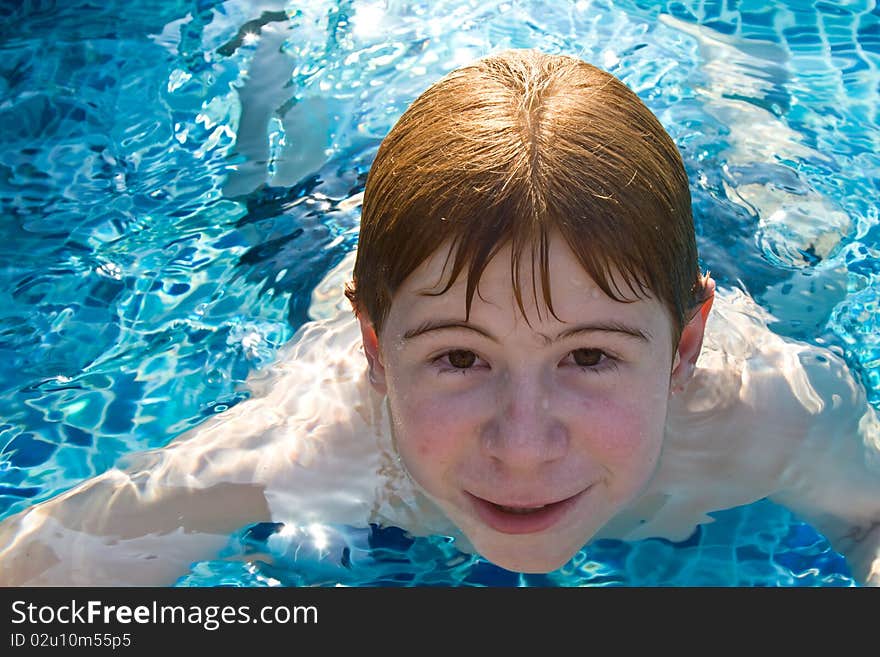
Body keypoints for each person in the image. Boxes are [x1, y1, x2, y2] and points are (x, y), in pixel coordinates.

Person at [1, 49, 878, 586]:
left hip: (693, 250)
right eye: (460, 359)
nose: (522, 445)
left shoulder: (772, 416)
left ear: (686, 347)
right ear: (375, 352)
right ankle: (268, 71)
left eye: (592, 359)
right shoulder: (316, 437)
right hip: (344, 240)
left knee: (805, 252)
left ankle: (746, 105)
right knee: (266, 200)